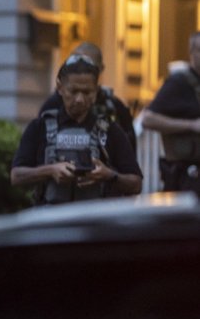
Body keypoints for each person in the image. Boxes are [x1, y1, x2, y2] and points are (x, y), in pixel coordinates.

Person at [11, 54, 142, 204]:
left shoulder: (109, 130)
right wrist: (50, 170)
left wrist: (109, 175)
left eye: (87, 92)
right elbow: (16, 176)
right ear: (60, 88)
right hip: (51, 221)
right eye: (73, 91)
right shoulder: (40, 127)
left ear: (96, 91)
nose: (79, 99)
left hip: (94, 221)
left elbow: (136, 184)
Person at [39, 42, 137, 154]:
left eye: (88, 65)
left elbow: (130, 154)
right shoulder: (52, 105)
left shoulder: (114, 106)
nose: (79, 99)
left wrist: (109, 171)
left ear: (101, 69)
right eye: (74, 63)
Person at [141, 31, 200, 194]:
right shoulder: (179, 82)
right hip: (187, 173)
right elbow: (148, 119)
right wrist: (191, 125)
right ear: (191, 53)